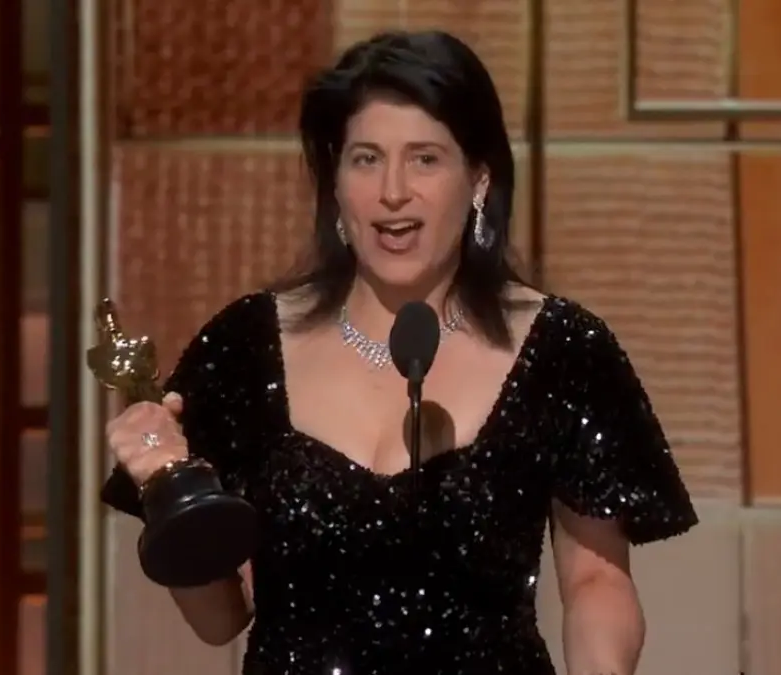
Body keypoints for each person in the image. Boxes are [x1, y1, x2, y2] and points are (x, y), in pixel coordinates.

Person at [101, 29, 697, 675]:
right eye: (366, 159)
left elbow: (595, 583)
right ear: (335, 183)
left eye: (424, 159)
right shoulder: (245, 345)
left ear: (478, 179)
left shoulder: (563, 349)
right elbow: (219, 618)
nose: (392, 191)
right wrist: (167, 488)